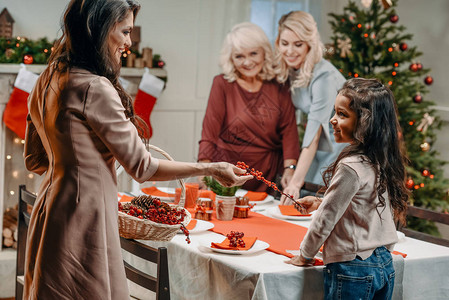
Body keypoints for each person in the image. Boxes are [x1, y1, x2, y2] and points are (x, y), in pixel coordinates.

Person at [23, 0, 251, 299]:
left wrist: (74, 165)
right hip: (85, 215)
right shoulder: (95, 87)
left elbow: (33, 160)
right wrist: (210, 167)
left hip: (50, 207)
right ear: (99, 28)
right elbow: (143, 168)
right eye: (125, 31)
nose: (129, 42)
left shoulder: (48, 76)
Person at [287, 78, 409, 300]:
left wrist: (305, 255)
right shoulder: (380, 159)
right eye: (335, 112)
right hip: (383, 262)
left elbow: (325, 218)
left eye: (342, 114)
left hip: (353, 267)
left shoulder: (350, 166)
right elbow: (363, 205)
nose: (332, 120)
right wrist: (319, 201)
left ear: (365, 122)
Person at [198, 22, 300, 192]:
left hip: (268, 176)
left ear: (264, 53)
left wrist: (290, 170)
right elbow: (210, 132)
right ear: (230, 58)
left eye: (253, 53)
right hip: (227, 175)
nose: (247, 62)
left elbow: (289, 131)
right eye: (239, 56)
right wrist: (204, 171)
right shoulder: (222, 84)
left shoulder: (279, 85)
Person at [274, 11, 347, 202]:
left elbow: (314, 133)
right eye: (285, 43)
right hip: (323, 142)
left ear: (310, 45)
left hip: (346, 143)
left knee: (313, 195)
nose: (290, 51)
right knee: (303, 194)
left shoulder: (323, 77)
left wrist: (295, 183)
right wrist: (290, 168)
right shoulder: (291, 69)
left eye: (298, 44)